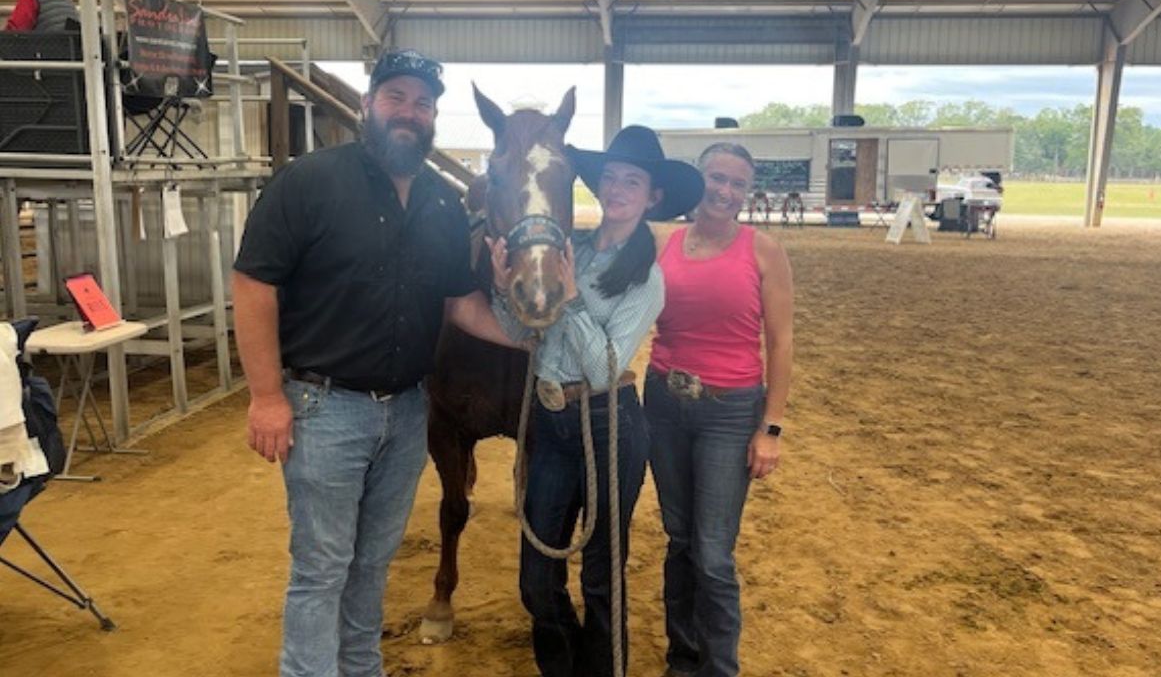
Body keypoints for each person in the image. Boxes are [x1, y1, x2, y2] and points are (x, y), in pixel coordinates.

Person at [231, 49, 515, 677]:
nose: (409, 112)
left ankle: (360, 668)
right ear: (367, 105)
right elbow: (253, 285)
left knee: (372, 562)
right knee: (321, 568)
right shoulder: (309, 181)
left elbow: (460, 303)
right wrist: (267, 396)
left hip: (410, 409)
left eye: (422, 103)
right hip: (322, 405)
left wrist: (533, 339)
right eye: (396, 98)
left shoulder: (441, 203)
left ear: (434, 116)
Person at [488, 125, 704, 677]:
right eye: (610, 177)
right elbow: (525, 331)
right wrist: (503, 284)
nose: (617, 188)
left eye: (632, 181)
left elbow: (605, 363)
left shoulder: (647, 279)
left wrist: (575, 297)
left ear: (653, 196)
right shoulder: (569, 249)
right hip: (553, 418)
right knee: (537, 577)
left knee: (601, 576)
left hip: (609, 424)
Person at [645, 142, 795, 677]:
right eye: (716, 178)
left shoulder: (763, 251)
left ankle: (719, 668)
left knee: (711, 553)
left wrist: (770, 428)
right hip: (663, 402)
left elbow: (780, 341)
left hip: (730, 412)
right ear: (697, 179)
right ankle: (682, 661)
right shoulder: (665, 244)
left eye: (738, 184)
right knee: (679, 539)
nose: (726, 192)